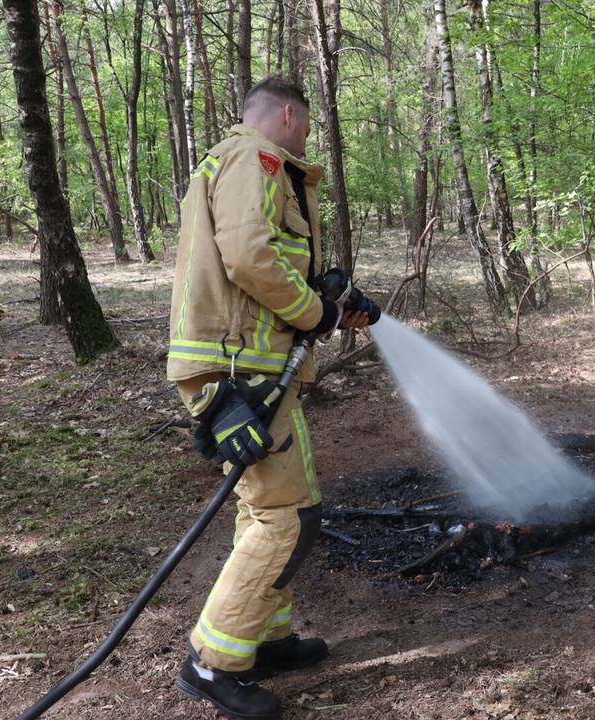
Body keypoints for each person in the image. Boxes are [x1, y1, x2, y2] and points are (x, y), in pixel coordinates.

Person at [166, 76, 370, 720]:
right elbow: (250, 254)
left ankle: (265, 639)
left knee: (268, 511)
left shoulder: (240, 167)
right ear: (288, 115)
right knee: (288, 517)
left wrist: (329, 298)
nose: (305, 137)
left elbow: (265, 259)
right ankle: (212, 663)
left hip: (249, 368)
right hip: (238, 373)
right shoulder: (251, 160)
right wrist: (315, 311)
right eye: (306, 127)